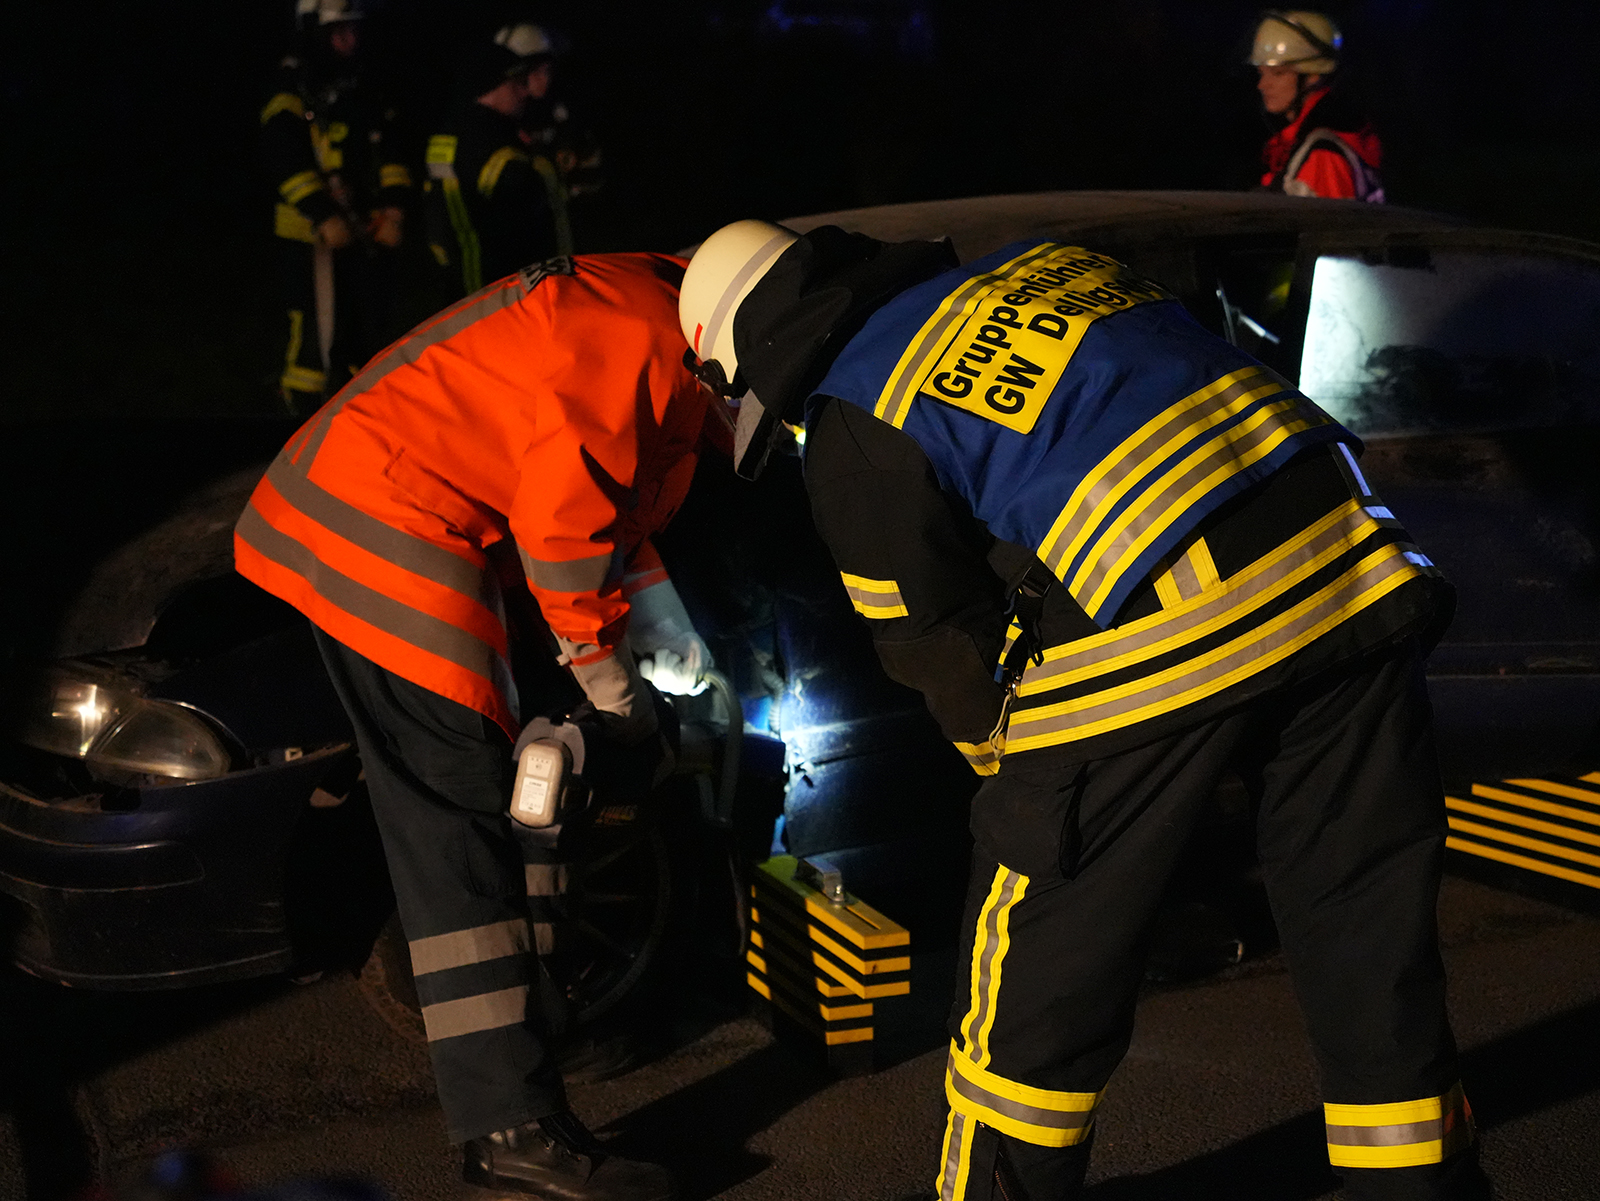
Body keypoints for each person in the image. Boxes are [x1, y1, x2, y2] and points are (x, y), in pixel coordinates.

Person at [679, 221, 1493, 1200]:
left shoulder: (855, 408)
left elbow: (933, 642)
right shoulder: (1039, 266)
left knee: (1030, 965)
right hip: (1351, 563)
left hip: (1173, 603)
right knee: (1363, 925)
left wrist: (1017, 781)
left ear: (750, 356)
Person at [233, 252, 716, 1201]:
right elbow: (566, 534)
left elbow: (610, 506)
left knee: (524, 790)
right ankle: (510, 1130)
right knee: (458, 821)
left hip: (397, 505)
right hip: (388, 524)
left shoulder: (657, 312)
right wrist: (617, 693)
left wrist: (668, 635)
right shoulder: (639, 343)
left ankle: (539, 1042)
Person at [261, 0, 413, 412]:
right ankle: (298, 417)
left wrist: (394, 210)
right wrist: (324, 216)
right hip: (309, 240)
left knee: (363, 330)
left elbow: (390, 152)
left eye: (354, 29)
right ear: (314, 33)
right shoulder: (292, 88)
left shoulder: (366, 85)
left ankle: (355, 416)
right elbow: (284, 159)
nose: (351, 40)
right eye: (338, 32)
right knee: (313, 334)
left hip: (365, 232)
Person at [426, 23, 573, 301]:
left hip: (463, 287)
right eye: (518, 82)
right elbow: (528, 226)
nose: (525, 91)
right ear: (493, 84)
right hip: (499, 291)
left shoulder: (454, 132)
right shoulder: (499, 148)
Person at [1251, 10, 1384, 202]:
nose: (1262, 85)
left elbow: (1330, 220)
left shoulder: (1323, 155)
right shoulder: (1308, 140)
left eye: (1278, 73)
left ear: (1313, 76)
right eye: (1261, 73)